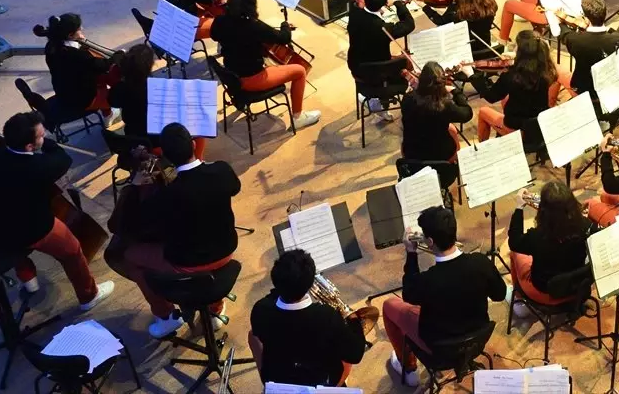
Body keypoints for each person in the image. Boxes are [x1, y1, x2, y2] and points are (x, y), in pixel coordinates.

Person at [0, 110, 116, 307]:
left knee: (11, 246)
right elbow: (63, 158)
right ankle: (89, 296)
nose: (45, 137)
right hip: (33, 230)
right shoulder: (40, 166)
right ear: (29, 146)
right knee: (72, 251)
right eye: (41, 136)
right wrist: (48, 144)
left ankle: (29, 281)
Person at [104, 123, 240, 337]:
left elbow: (133, 222)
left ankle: (165, 316)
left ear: (165, 155)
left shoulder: (166, 196)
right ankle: (216, 308)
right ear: (194, 145)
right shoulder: (222, 170)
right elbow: (235, 187)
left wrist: (137, 185)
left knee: (129, 255)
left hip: (189, 263)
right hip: (226, 252)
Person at [384, 206, 507, 387]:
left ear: (430, 241)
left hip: (438, 348)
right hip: (477, 339)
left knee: (389, 305)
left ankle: (408, 368)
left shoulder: (426, 281)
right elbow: (500, 294)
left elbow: (409, 294)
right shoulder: (481, 263)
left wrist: (411, 254)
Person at [210, 0, 322, 129]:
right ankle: (298, 117)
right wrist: (285, 26)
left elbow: (214, 36)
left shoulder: (220, 20)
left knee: (266, 61)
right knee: (300, 71)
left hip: (231, 74)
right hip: (252, 80)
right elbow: (284, 38)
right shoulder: (253, 26)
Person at [248, 249, 367, 385]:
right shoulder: (327, 316)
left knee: (252, 335)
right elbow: (355, 355)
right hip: (319, 379)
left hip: (278, 375)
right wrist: (354, 320)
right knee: (345, 351)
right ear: (309, 284)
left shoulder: (260, 309)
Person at [470, 30, 559, 149]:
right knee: (506, 99)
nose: (515, 49)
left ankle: (484, 151)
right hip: (539, 122)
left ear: (521, 52)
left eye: (517, 46)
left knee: (483, 112)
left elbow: (491, 97)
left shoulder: (511, 77)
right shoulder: (548, 70)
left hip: (518, 127)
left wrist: (473, 78)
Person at [509, 180, 590, 310]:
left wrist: (519, 207)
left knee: (515, 253)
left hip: (545, 288)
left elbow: (514, 242)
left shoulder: (537, 236)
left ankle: (519, 300)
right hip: (578, 284)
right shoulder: (586, 226)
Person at [346, 0, 416, 110]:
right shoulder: (383, 29)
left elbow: (355, 0)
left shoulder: (354, 13)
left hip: (357, 70)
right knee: (410, 64)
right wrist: (399, 4)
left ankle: (374, 101)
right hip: (381, 76)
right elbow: (409, 24)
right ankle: (378, 100)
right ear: (384, 2)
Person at [400, 61, 472, 188]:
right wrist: (456, 92)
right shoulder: (446, 106)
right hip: (443, 168)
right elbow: (467, 114)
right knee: (452, 129)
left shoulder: (407, 99)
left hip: (412, 161)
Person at [561, 0, 619, 102]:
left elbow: (564, 35)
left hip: (584, 89)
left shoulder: (574, 40)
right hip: (613, 89)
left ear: (586, 18)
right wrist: (612, 30)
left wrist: (561, 22)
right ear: (605, 13)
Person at [39, 13, 116, 117]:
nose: (82, 29)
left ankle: (107, 113)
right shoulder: (75, 54)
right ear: (70, 35)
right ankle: (109, 113)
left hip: (64, 94)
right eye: (79, 29)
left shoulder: (51, 46)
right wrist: (117, 57)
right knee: (113, 82)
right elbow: (103, 65)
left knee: (99, 76)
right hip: (81, 100)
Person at [420, 0, 498, 60]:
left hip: (464, 49)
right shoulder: (491, 4)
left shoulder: (457, 10)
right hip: (484, 45)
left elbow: (440, 21)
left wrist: (424, 7)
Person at [109, 43, 156, 144]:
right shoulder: (154, 88)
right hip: (154, 137)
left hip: (131, 133)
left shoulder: (120, 88)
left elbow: (112, 102)